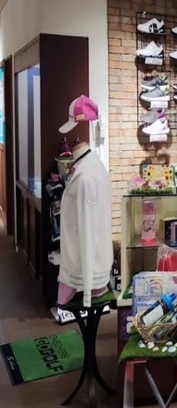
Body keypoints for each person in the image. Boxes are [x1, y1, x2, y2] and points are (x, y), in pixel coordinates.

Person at [56, 96, 113, 307]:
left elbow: (87, 229)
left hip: (85, 269)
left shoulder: (86, 178)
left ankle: (88, 288)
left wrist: (87, 291)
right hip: (93, 264)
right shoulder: (94, 169)